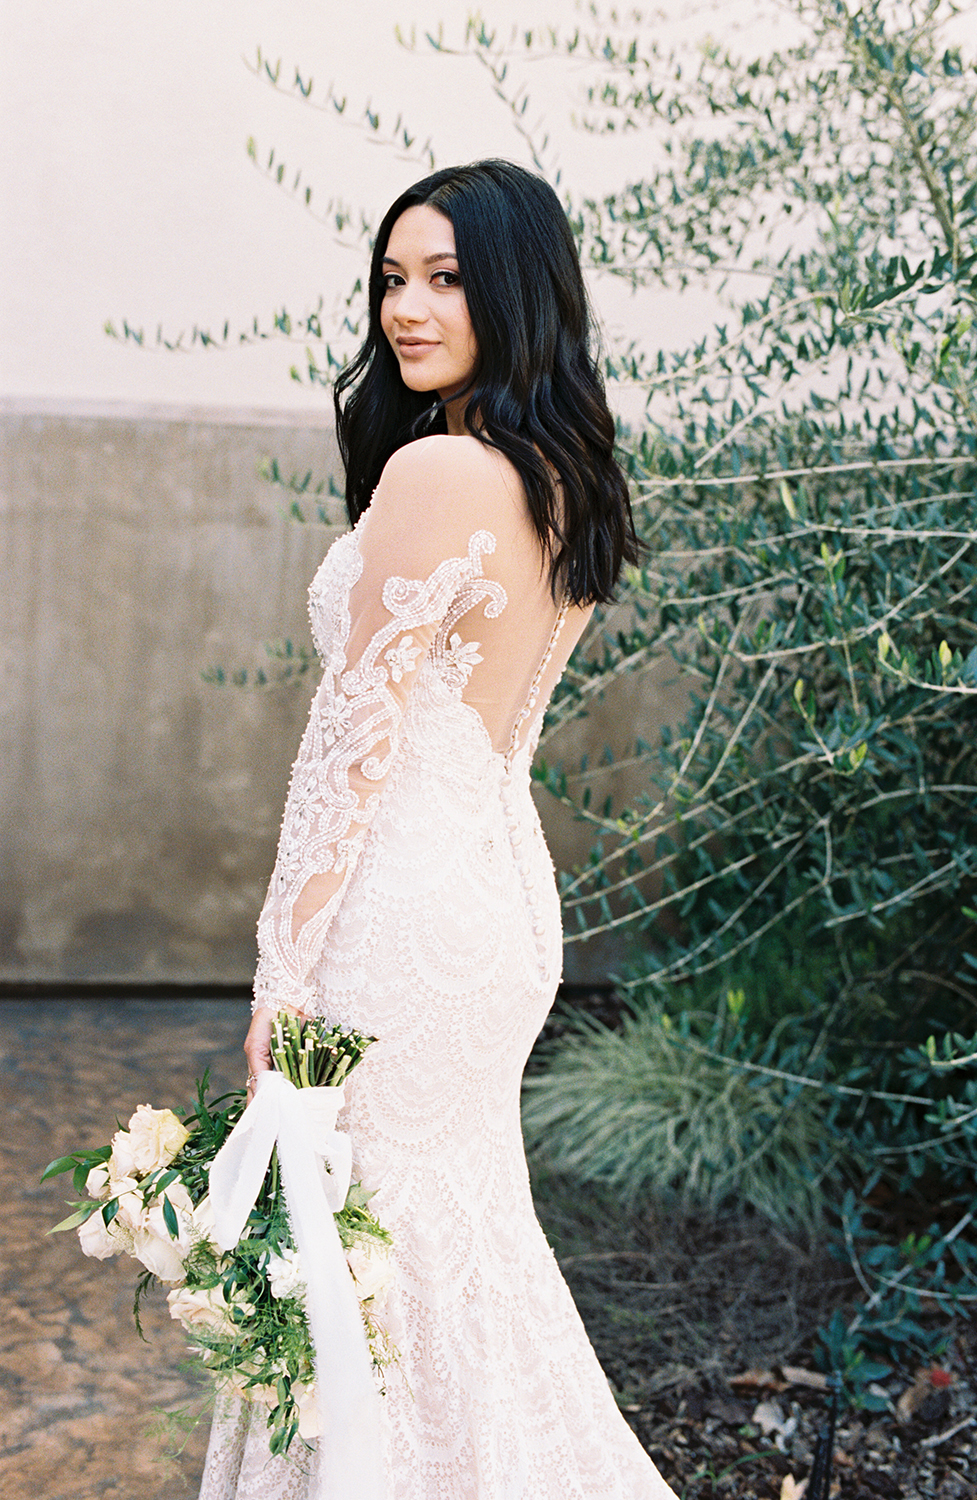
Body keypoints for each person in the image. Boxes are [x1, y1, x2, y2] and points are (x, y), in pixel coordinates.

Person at [199, 159, 678, 1500]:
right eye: (393, 278)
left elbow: (345, 751)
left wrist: (280, 980)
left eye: (448, 278)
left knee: (362, 1263)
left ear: (515, 288)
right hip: (500, 897)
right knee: (452, 1248)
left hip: (399, 913)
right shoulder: (560, 472)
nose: (407, 308)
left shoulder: (438, 469)